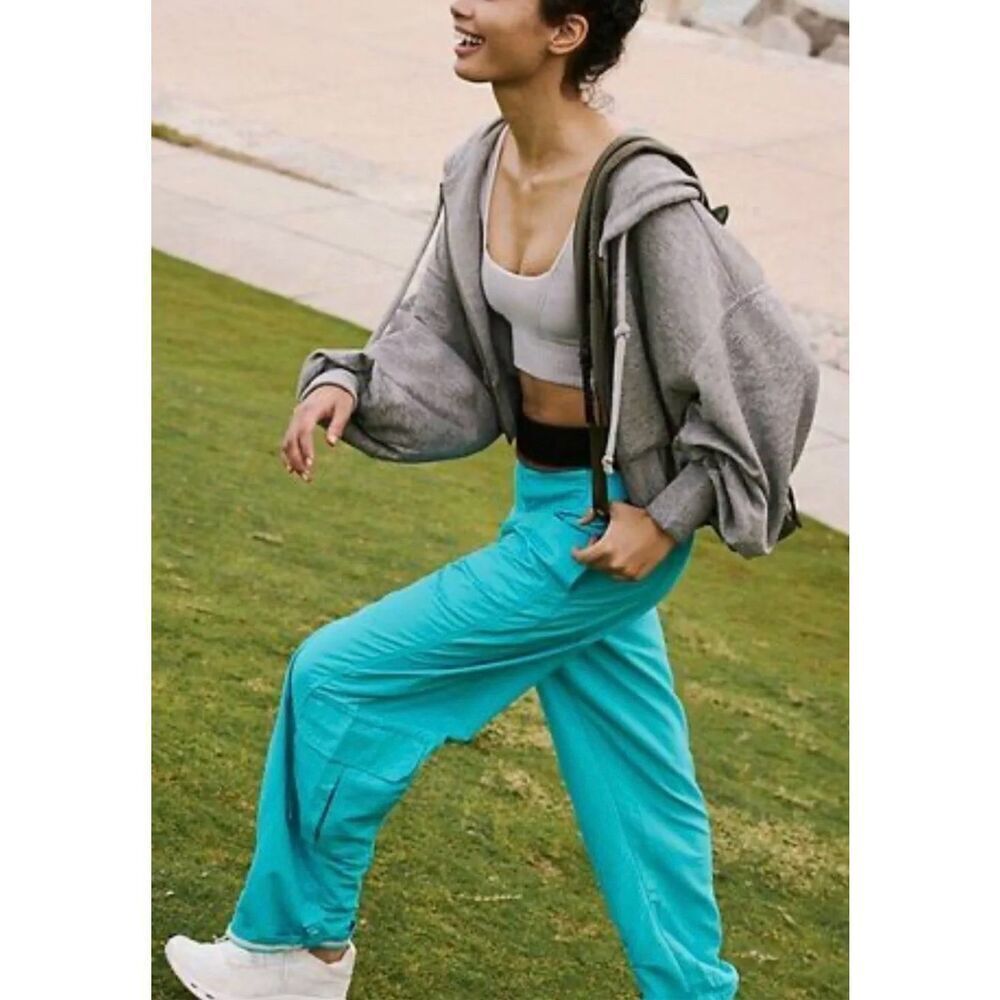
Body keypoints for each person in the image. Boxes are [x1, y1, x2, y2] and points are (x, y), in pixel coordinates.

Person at [164, 1, 820, 998]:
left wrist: (671, 512)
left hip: (603, 530)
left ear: (565, 31)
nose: (462, 5)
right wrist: (352, 382)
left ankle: (299, 950)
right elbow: (433, 328)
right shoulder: (479, 162)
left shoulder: (642, 198)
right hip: (542, 496)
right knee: (639, 776)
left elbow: (774, 369)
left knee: (337, 676)